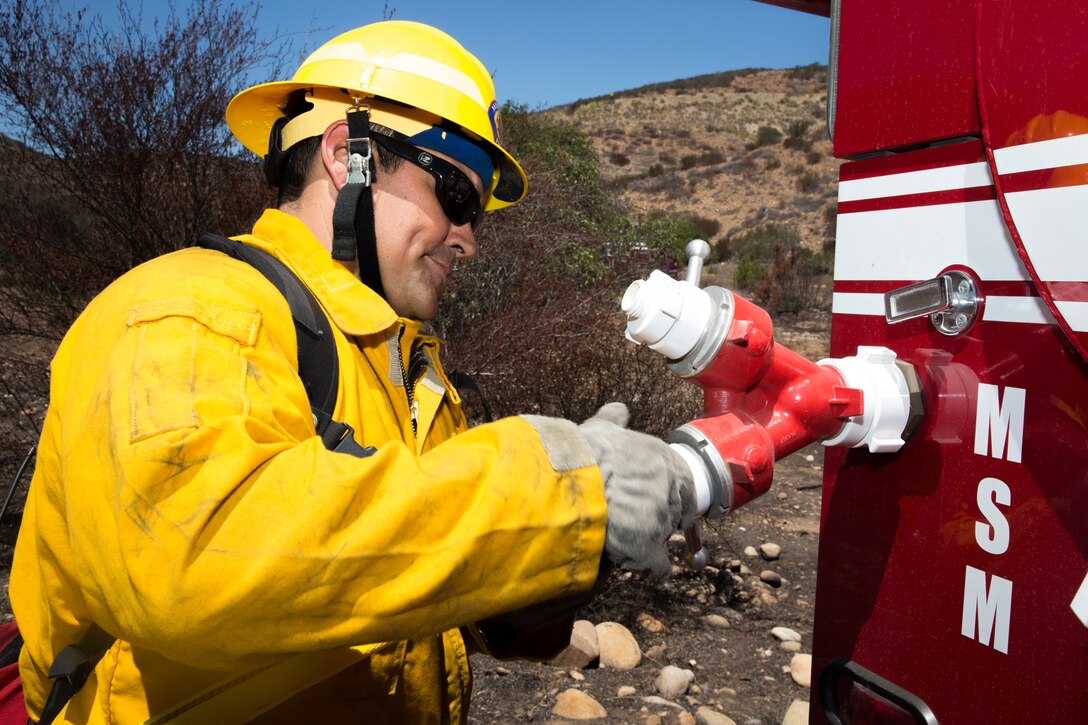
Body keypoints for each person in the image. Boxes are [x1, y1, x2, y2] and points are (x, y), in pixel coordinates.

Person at [9, 20, 695, 724]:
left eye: (479, 215)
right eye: (457, 197)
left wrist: (568, 551)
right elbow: (192, 557)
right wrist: (552, 490)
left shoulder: (408, 367)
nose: (468, 238)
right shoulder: (185, 308)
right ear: (349, 155)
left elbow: (410, 571)